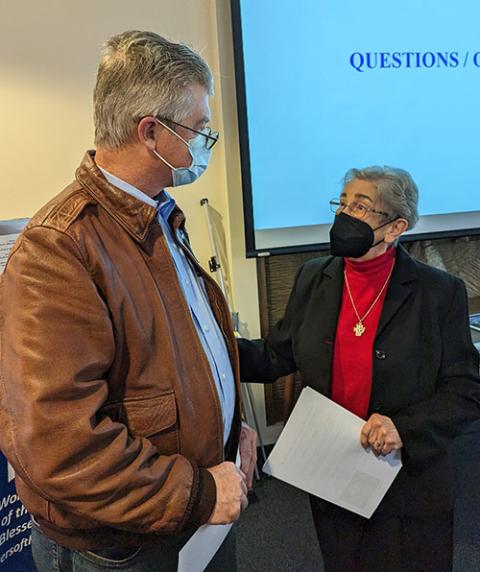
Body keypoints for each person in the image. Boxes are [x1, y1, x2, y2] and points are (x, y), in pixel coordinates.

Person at [0, 30, 257, 572]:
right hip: (125, 543)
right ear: (151, 132)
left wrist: (230, 431)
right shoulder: (60, 247)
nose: (206, 145)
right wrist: (199, 494)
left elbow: (180, 356)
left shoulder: (157, 215)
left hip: (183, 509)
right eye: (200, 130)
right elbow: (61, 446)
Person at [238, 166, 480, 571]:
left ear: (395, 227)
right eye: (342, 203)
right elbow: (277, 354)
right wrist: (210, 349)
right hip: (333, 468)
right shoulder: (314, 277)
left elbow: (466, 388)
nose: (344, 215)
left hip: (408, 479)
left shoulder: (438, 292)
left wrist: (405, 427)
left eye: (361, 206)